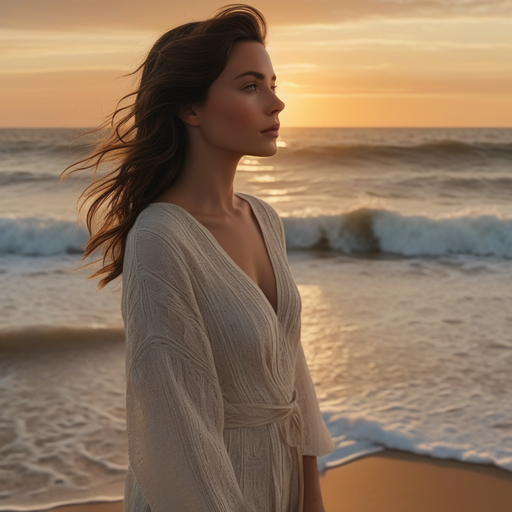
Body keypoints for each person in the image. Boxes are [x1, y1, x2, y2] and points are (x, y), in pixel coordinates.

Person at [62, 4, 335, 511]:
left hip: (282, 484)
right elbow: (175, 424)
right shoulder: (161, 238)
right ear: (190, 107)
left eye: (272, 83)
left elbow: (292, 370)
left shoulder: (263, 218)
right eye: (250, 86)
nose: (276, 103)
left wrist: (312, 495)